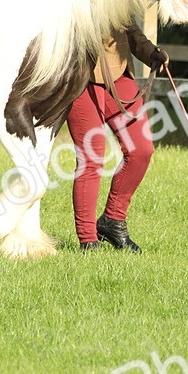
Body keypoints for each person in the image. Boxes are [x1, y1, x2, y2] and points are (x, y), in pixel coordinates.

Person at [66, 26, 168, 252]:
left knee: (142, 150)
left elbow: (128, 27)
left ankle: (112, 220)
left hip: (118, 72)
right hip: (81, 75)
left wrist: (149, 51)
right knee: (92, 158)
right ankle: (88, 240)